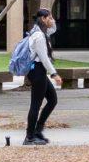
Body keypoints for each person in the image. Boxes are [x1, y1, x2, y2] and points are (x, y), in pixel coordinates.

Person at [24, 8, 62, 146]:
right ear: (43, 19)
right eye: (50, 18)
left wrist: (51, 15)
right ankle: (29, 136)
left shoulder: (42, 31)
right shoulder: (39, 36)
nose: (52, 20)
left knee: (52, 100)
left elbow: (54, 29)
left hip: (39, 71)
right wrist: (54, 74)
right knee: (36, 104)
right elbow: (44, 58)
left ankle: (37, 131)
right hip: (37, 71)